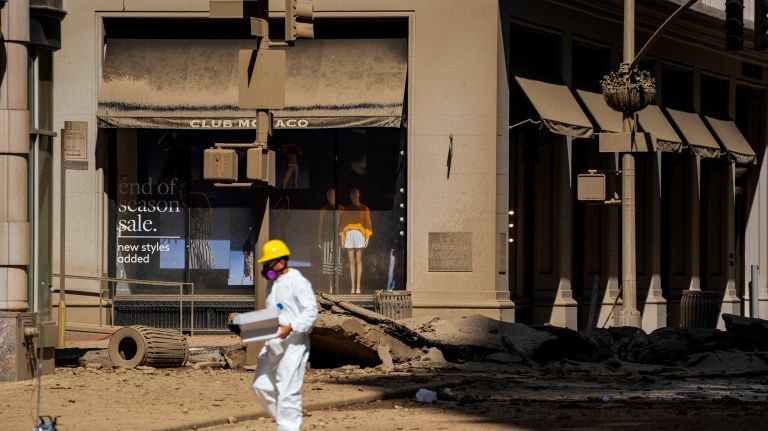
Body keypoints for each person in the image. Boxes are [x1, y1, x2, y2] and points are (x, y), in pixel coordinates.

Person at [252, 239, 318, 431]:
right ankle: (285, 418)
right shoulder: (272, 283)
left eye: (267, 263)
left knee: (288, 392)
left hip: (294, 344)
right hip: (273, 342)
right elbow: (274, 311)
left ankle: (288, 427)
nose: (265, 268)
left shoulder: (298, 282)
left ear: (281, 262)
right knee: (261, 386)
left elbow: (311, 311)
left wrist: (292, 326)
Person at [339, 188, 372, 294]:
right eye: (352, 195)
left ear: (358, 196)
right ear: (350, 196)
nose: (353, 197)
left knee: (358, 261)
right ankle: (352, 287)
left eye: (355, 195)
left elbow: (367, 222)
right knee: (351, 262)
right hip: (349, 234)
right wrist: (342, 237)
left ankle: (358, 287)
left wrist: (367, 236)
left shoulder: (364, 208)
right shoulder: (346, 209)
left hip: (359, 234)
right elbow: (342, 223)